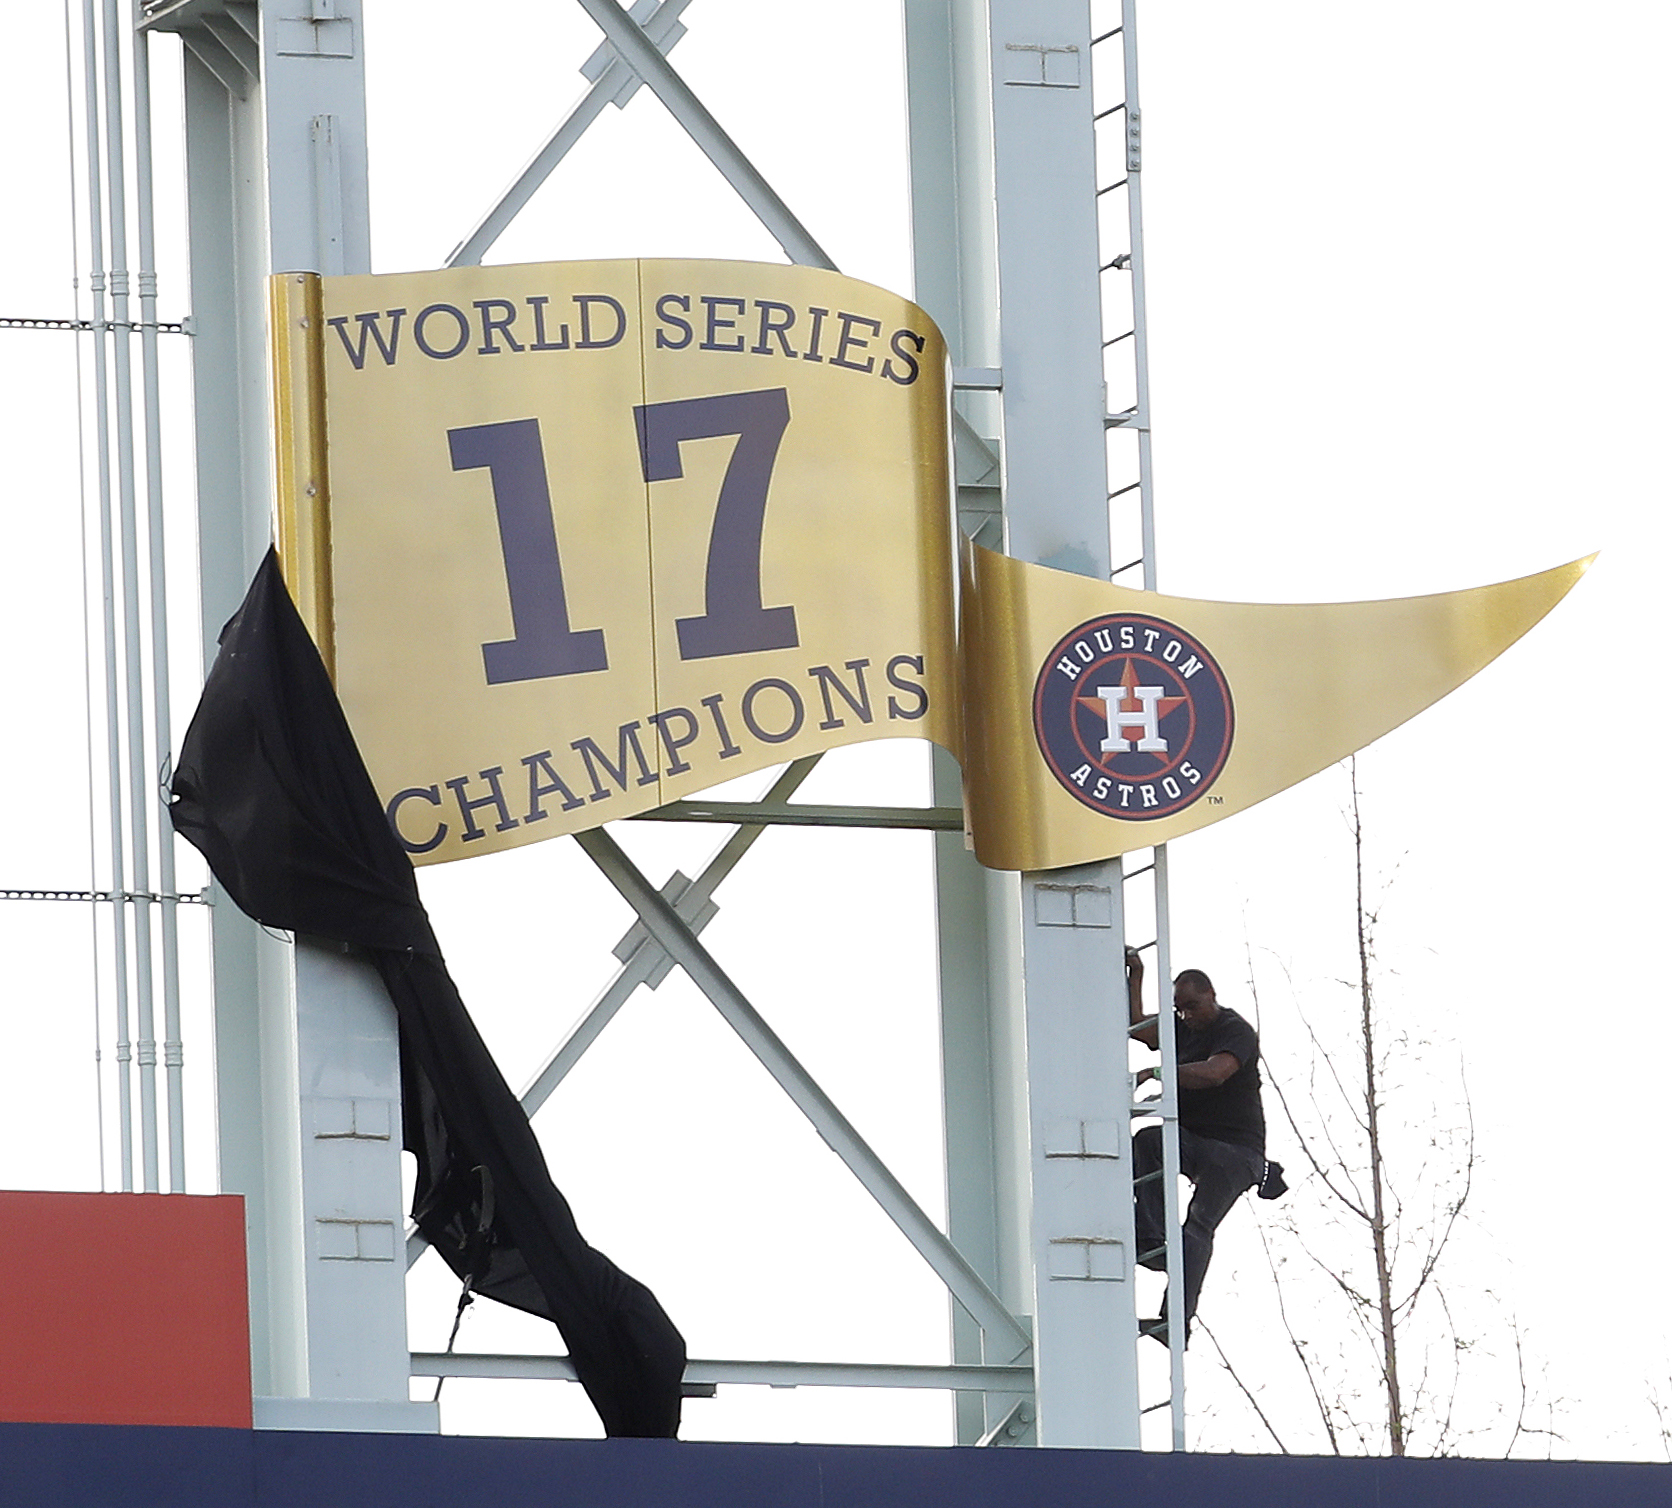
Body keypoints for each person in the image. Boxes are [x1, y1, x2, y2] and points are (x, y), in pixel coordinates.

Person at [1126, 948, 1266, 1344]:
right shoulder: (1181, 1028)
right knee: (1149, 1142)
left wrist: (1158, 1071)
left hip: (1236, 1154)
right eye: (1180, 1009)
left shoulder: (1233, 1030)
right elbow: (1138, 1027)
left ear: (1211, 996)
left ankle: (1174, 1321)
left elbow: (1215, 1073)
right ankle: (1151, 1237)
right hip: (1198, 1143)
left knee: (1197, 1227)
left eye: (1192, 1006)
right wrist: (1136, 975)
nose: (1187, 1015)